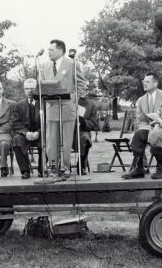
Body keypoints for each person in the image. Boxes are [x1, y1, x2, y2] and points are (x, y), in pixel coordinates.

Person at [38, 39, 87, 174]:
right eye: (48, 50)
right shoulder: (44, 65)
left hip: (67, 107)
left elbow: (82, 83)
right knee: (51, 140)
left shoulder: (72, 63)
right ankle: (53, 166)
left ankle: (65, 167)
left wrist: (74, 100)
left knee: (66, 140)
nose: (49, 52)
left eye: (51, 50)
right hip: (51, 107)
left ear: (60, 50)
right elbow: (41, 84)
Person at [122, 72, 162, 179]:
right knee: (138, 134)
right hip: (150, 129)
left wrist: (158, 125)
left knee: (156, 134)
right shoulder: (141, 100)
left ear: (155, 83)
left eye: (147, 81)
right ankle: (139, 168)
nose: (144, 83)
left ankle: (161, 168)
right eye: (144, 81)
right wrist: (147, 128)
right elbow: (141, 121)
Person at [11, 78, 44, 179]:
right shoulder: (19, 105)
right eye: (27, 89)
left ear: (37, 89)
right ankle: (25, 170)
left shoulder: (44, 103)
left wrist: (39, 132)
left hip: (40, 133)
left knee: (49, 138)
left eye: (32, 88)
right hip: (25, 134)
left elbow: (48, 122)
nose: (29, 91)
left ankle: (42, 169)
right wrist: (25, 133)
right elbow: (15, 123)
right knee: (16, 140)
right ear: (24, 90)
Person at [72, 90, 99, 174]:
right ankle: (61, 166)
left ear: (87, 91)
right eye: (79, 88)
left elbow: (94, 124)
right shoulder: (70, 101)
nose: (81, 91)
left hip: (82, 131)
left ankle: (81, 165)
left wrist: (84, 122)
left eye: (84, 89)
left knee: (85, 138)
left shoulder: (92, 105)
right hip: (69, 130)